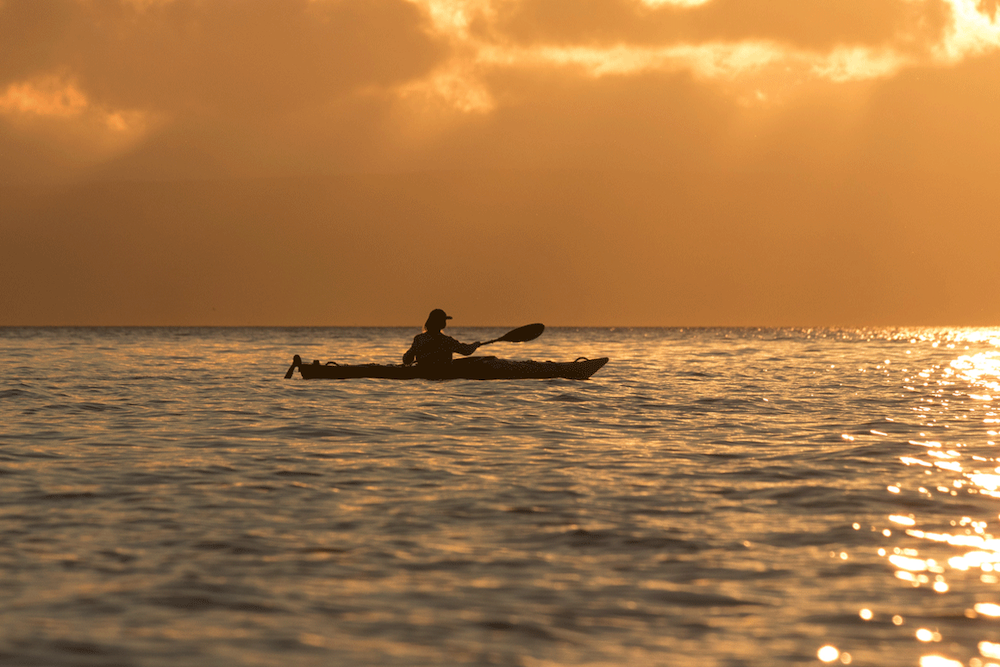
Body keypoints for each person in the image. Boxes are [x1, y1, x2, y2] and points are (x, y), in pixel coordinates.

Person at [403, 309, 481, 366]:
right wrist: (475, 345)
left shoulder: (419, 339)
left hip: (422, 371)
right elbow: (466, 351)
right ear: (442, 323)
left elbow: (406, 360)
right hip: (443, 372)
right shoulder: (446, 341)